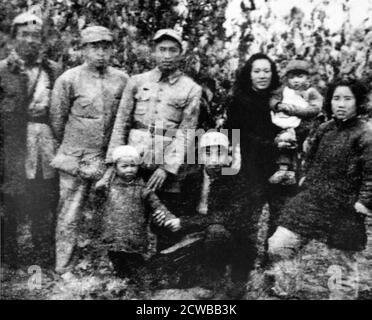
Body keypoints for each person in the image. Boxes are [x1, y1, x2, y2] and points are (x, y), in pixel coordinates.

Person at [267, 78, 372, 298]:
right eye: (336, 98)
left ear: (359, 102)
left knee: (340, 263)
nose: (340, 104)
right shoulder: (325, 128)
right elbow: (309, 157)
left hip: (345, 205)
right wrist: (305, 178)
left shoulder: (366, 134)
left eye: (347, 99)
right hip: (313, 199)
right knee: (279, 244)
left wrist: (364, 201)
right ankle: (285, 291)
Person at [103, 28, 202, 247]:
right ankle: (127, 262)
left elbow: (186, 131)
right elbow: (122, 121)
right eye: (162, 49)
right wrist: (114, 162)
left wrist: (166, 167)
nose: (167, 55)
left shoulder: (191, 89)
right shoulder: (137, 81)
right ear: (153, 52)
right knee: (128, 212)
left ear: (181, 54)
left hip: (165, 162)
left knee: (163, 215)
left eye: (173, 50)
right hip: (133, 159)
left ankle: (163, 265)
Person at [50, 25, 128, 274]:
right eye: (94, 47)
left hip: (108, 158)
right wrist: (73, 149)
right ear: (83, 49)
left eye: (106, 47)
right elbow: (57, 121)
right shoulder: (68, 79)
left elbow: (123, 119)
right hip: (75, 157)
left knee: (107, 212)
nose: (101, 52)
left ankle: (102, 263)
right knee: (70, 213)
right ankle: (64, 265)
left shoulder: (122, 80)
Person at [0, 12, 60, 267]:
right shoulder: (2, 70)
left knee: (43, 196)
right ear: (14, 38)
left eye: (36, 36)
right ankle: (8, 256)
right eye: (25, 35)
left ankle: (42, 255)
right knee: (9, 199)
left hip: (44, 142)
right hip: (11, 144)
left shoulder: (53, 70)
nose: (31, 41)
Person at [226, 53, 288, 298]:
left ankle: (274, 277)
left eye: (266, 71)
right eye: (257, 71)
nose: (262, 76)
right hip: (249, 169)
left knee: (278, 223)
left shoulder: (280, 100)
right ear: (249, 74)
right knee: (246, 223)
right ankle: (239, 279)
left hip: (278, 167)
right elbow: (232, 136)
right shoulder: (239, 100)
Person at [99, 145, 176, 279]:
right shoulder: (109, 186)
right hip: (113, 237)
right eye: (124, 166)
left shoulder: (143, 189)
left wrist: (169, 217)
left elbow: (157, 205)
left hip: (133, 239)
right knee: (118, 266)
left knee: (137, 269)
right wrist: (99, 187)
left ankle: (143, 289)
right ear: (115, 168)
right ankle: (121, 288)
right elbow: (97, 194)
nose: (129, 169)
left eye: (133, 166)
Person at [269, 59, 323, 185]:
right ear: (287, 79)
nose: (296, 80)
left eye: (300, 76)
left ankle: (296, 173)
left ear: (307, 78)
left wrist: (296, 110)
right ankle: (283, 170)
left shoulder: (311, 92)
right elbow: (272, 99)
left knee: (303, 148)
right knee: (284, 143)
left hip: (305, 125)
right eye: (292, 77)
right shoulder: (284, 91)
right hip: (287, 123)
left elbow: (315, 108)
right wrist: (278, 105)